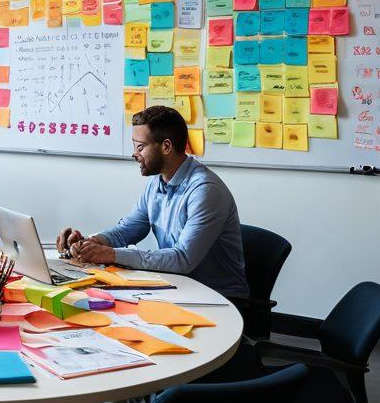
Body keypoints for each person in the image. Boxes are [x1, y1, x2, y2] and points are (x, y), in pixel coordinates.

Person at [56, 105, 249, 297]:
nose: (134, 154)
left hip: (218, 297)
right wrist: (91, 243)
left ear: (166, 146)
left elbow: (183, 259)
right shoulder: (157, 181)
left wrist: (110, 254)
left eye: (140, 146)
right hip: (176, 285)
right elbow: (129, 229)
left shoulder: (205, 191)